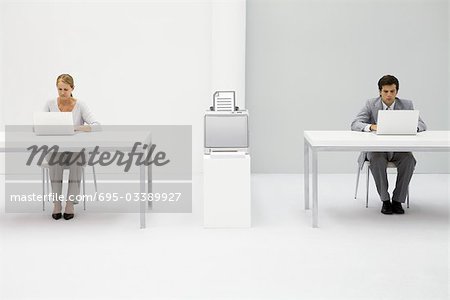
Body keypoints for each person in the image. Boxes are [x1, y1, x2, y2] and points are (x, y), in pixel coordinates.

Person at [351, 75, 426, 215]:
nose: (389, 95)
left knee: (409, 160)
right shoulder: (370, 104)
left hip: (399, 149)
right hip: (378, 150)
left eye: (392, 91)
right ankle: (385, 201)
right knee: (376, 159)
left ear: (397, 91)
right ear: (380, 91)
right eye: (385, 91)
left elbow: (421, 124)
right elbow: (355, 124)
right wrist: (372, 126)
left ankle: (397, 200)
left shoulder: (407, 104)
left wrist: (411, 127)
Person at [45, 74, 100, 220]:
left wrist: (76, 128)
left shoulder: (80, 105)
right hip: (57, 148)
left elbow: (96, 126)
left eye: (65, 89)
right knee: (54, 161)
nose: (62, 92)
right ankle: (57, 203)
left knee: (77, 161)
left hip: (76, 149)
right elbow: (39, 124)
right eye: (59, 89)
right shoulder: (50, 104)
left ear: (72, 88)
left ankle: (70, 203)